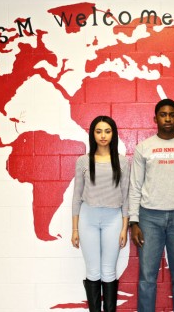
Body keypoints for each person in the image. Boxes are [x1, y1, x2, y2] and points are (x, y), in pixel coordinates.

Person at [129, 98, 174, 312]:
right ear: (155, 118)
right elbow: (135, 186)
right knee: (147, 277)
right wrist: (134, 221)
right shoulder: (144, 148)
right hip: (149, 218)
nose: (168, 118)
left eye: (172, 114)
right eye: (163, 114)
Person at [71, 116, 130, 312]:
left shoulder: (122, 161)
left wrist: (124, 228)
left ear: (113, 134)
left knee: (108, 271)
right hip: (88, 219)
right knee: (93, 271)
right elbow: (77, 197)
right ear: (92, 134)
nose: (103, 135)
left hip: (113, 220)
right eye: (98, 131)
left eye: (107, 131)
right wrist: (74, 229)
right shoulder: (83, 161)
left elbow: (126, 196)